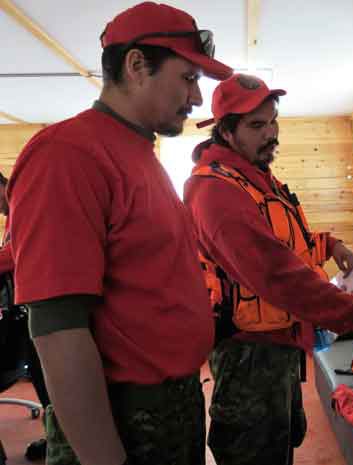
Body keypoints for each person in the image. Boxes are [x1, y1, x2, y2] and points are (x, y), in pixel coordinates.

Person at [6, 3, 233, 465]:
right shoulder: (68, 156)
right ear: (136, 65)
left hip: (172, 405)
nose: (196, 98)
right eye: (188, 78)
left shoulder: (140, 154)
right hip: (123, 418)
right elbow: (58, 329)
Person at [184, 73, 353, 465]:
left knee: (280, 445)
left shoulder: (257, 179)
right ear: (226, 132)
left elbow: (287, 244)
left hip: (280, 348)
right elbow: (276, 273)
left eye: (273, 120)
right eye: (256, 125)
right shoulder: (215, 191)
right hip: (249, 358)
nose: (271, 134)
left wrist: (330, 245)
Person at [0, 172, 49, 461]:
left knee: (50, 380)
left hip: (42, 303)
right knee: (44, 378)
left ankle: (61, 438)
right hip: (25, 307)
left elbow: (19, 252)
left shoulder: (25, 204)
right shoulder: (11, 210)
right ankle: (55, 432)